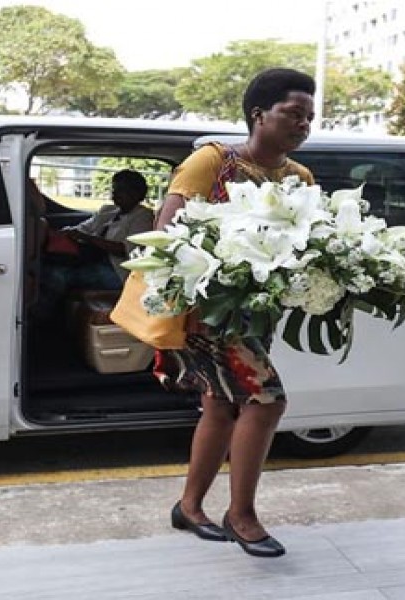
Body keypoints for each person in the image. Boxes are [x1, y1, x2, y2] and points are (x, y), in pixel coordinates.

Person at [155, 68, 316, 558]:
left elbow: (311, 246)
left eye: (309, 117)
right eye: (294, 114)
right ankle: (240, 515)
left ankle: (189, 506)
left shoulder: (300, 180)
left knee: (221, 406)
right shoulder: (213, 162)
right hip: (209, 315)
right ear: (258, 114)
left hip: (256, 318)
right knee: (267, 402)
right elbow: (166, 234)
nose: (303, 124)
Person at [35, 169, 154, 319]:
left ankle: (42, 321)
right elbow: (84, 227)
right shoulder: (109, 211)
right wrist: (67, 232)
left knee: (58, 276)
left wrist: (88, 238)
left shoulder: (143, 216)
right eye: (114, 189)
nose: (114, 194)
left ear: (136, 194)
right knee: (47, 268)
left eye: (121, 190)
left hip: (116, 270)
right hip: (90, 260)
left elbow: (125, 249)